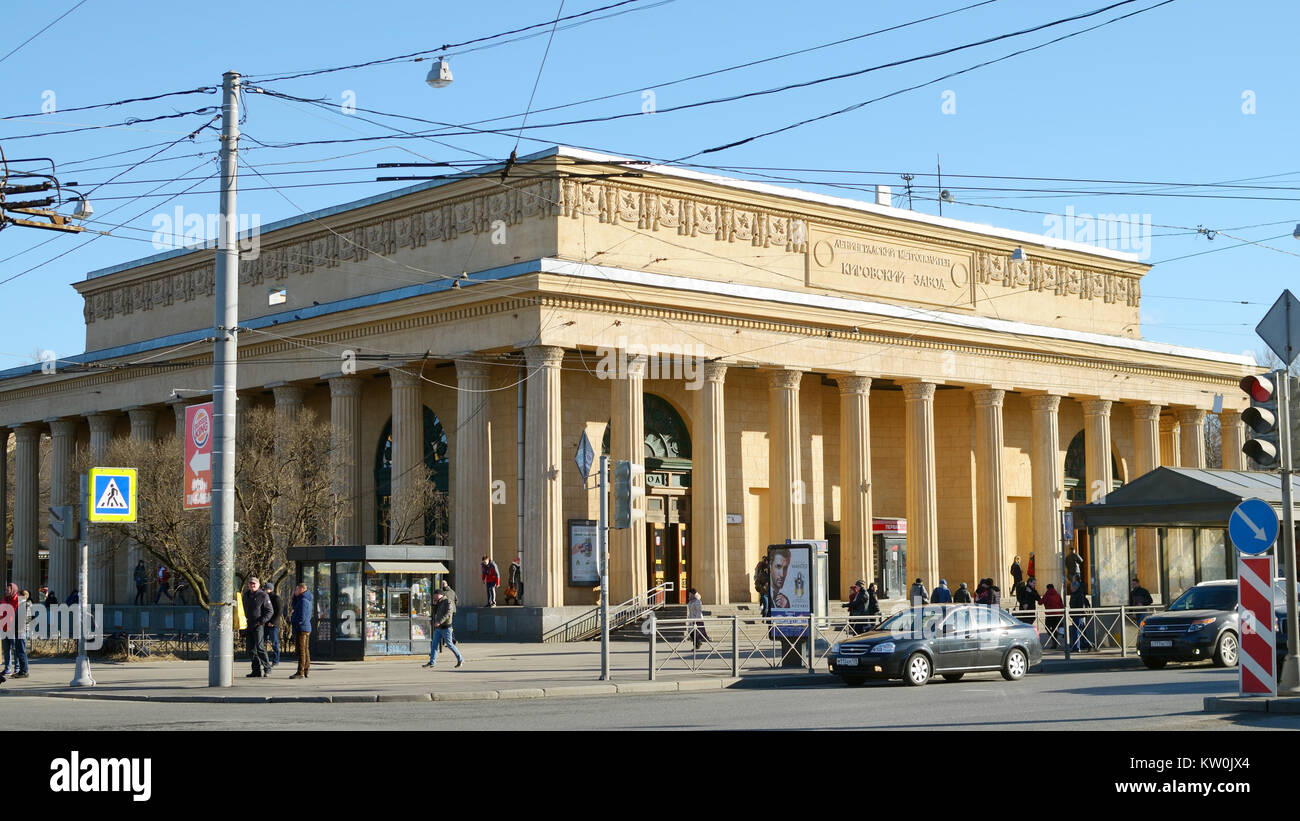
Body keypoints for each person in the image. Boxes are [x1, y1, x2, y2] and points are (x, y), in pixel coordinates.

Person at [423, 590, 464, 669]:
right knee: (434, 645)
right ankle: (432, 662)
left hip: (446, 627)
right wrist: (434, 605)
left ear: (440, 595)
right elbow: (434, 613)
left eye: (435, 595)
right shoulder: (438, 602)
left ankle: (460, 659)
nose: (434, 596)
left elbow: (448, 614)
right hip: (438, 628)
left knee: (449, 644)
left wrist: (439, 622)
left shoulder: (448, 601)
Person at [242, 577, 273, 678]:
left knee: (260, 647)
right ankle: (256, 670)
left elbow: (269, 611)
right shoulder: (246, 595)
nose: (252, 585)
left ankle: (267, 668)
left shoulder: (263, 595)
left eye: (254, 584)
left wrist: (261, 621)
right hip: (248, 625)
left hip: (258, 625)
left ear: (259, 585)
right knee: (251, 649)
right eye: (251, 583)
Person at [1, 584, 28, 679]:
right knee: (7, 649)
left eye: (8, 590)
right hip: (5, 628)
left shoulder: (19, 600)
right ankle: (9, 668)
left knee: (18, 650)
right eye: (5, 590)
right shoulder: (4, 599)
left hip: (16, 629)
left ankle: (19, 669)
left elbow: (20, 615)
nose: (6, 592)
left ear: (13, 590)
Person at [289, 582, 313, 679]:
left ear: (302, 589)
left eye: (296, 589)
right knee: (305, 650)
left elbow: (302, 616)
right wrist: (295, 597)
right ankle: (306, 669)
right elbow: (294, 606)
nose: (295, 591)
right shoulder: (303, 599)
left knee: (301, 650)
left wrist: (296, 622)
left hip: (302, 628)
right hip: (305, 627)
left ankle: (301, 671)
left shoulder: (303, 600)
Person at [1069, 580, 1092, 651]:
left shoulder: (1078, 595)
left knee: (1076, 631)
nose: (1070, 588)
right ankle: (1088, 645)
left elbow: (1079, 605)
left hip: (1078, 615)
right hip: (1077, 615)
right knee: (1080, 632)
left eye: (1071, 587)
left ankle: (1077, 648)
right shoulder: (1076, 594)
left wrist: (1076, 612)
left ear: (1075, 587)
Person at [264, 582, 283, 669]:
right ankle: (265, 660)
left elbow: (278, 612)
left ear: (270, 589)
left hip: (273, 624)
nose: (265, 590)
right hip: (265, 623)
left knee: (274, 643)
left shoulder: (276, 598)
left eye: (266, 588)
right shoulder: (264, 597)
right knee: (262, 642)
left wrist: (272, 622)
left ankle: (276, 660)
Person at [1041, 583, 1064, 649]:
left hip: (1049, 615)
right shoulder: (1057, 595)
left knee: (1047, 628)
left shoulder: (1046, 595)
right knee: (1054, 629)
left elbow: (1040, 603)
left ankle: (1054, 641)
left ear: (1047, 588)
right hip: (1057, 615)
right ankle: (1055, 643)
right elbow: (1061, 604)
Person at [438, 580, 459, 645]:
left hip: (446, 611)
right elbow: (456, 600)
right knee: (449, 625)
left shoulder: (443, 592)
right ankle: (450, 640)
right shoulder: (452, 591)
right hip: (453, 611)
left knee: (447, 625)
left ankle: (451, 639)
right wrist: (454, 607)